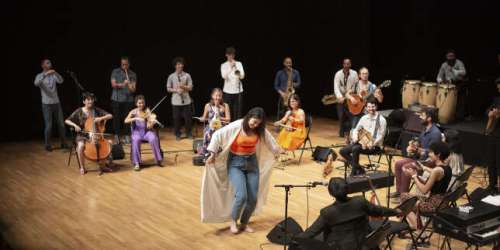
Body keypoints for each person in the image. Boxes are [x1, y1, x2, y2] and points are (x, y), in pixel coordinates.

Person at [201, 107, 282, 234]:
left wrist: (278, 151)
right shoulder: (237, 125)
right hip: (235, 163)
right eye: (253, 122)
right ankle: (233, 221)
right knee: (241, 195)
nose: (255, 125)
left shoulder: (259, 130)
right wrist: (212, 153)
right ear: (249, 117)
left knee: (253, 198)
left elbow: (270, 141)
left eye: (258, 124)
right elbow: (217, 135)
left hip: (252, 164)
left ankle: (244, 223)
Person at [294, 177, 401, 250]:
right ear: (348, 189)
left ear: (331, 193)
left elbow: (311, 233)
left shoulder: (327, 212)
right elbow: (380, 211)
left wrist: (294, 240)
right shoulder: (360, 201)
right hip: (365, 243)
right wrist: (395, 211)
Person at [390, 109, 442, 202]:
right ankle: (399, 191)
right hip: (420, 160)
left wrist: (417, 150)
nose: (420, 117)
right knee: (398, 164)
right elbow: (419, 141)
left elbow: (432, 153)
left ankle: (403, 196)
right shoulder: (425, 129)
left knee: (406, 167)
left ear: (429, 118)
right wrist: (413, 144)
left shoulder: (435, 133)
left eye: (422, 115)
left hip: (427, 163)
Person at [400, 141, 452, 230]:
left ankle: (417, 228)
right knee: (407, 198)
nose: (429, 154)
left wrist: (414, 176)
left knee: (404, 199)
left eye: (431, 152)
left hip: (433, 205)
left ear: (438, 154)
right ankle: (409, 223)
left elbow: (424, 190)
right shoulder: (447, 168)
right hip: (442, 202)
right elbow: (434, 172)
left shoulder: (436, 171)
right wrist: (423, 168)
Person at [65, 93, 113, 175]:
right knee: (80, 146)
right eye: (88, 100)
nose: (90, 101)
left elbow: (110, 115)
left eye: (92, 99)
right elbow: (67, 120)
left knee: (109, 143)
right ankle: (82, 167)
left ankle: (103, 166)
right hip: (82, 135)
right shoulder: (79, 111)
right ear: (84, 101)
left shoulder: (96, 110)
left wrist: (101, 118)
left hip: (96, 134)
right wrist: (75, 125)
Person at [339, 98, 386, 176]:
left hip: (374, 146)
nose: (371, 109)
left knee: (355, 149)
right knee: (342, 151)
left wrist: (373, 143)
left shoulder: (381, 120)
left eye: (373, 107)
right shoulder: (364, 118)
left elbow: (381, 135)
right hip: (362, 143)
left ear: (376, 107)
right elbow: (356, 130)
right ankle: (359, 168)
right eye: (369, 107)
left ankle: (353, 173)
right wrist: (355, 138)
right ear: (366, 108)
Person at [34, 58, 68, 151]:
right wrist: (45, 75)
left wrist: (55, 73)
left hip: (56, 103)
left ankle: (64, 143)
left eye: (50, 63)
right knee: (49, 125)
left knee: (61, 124)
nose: (50, 64)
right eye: (47, 63)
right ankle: (47, 145)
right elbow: (36, 83)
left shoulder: (53, 75)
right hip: (46, 104)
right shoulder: (39, 75)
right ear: (43, 65)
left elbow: (61, 81)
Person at [124, 95, 163, 171]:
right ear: (136, 104)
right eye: (139, 103)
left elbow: (149, 126)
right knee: (136, 140)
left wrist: (151, 122)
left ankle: (158, 159)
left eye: (142, 103)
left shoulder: (147, 111)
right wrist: (136, 118)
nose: (141, 104)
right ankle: (137, 163)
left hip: (147, 131)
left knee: (153, 138)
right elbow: (126, 120)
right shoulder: (133, 112)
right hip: (137, 132)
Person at [110, 56, 137, 144]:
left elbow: (133, 89)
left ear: (129, 64)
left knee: (127, 118)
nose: (124, 66)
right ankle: (117, 136)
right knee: (116, 119)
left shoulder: (132, 74)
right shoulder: (115, 72)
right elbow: (113, 85)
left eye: (125, 64)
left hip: (128, 100)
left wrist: (129, 84)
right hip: (116, 99)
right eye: (122, 64)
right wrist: (122, 84)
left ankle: (127, 136)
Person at [166, 57, 194, 140]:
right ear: (175, 66)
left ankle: (189, 133)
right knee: (176, 118)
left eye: (181, 64)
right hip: (176, 101)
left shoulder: (187, 75)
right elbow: (168, 88)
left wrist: (184, 87)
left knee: (188, 118)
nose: (180, 66)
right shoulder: (171, 76)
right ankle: (178, 134)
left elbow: (191, 87)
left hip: (186, 101)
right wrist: (176, 90)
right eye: (178, 64)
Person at [199, 88, 231, 155]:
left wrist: (220, 117)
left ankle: (219, 150)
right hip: (211, 125)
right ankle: (208, 151)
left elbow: (228, 119)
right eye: (216, 95)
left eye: (219, 96)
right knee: (209, 131)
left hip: (222, 125)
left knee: (218, 131)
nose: (218, 97)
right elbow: (204, 117)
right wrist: (201, 119)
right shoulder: (208, 105)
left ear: (221, 96)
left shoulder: (225, 105)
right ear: (212, 96)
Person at [334, 58, 359, 138]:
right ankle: (341, 131)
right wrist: (340, 97)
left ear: (350, 65)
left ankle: (351, 132)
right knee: (341, 116)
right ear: (343, 64)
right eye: (345, 64)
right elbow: (336, 87)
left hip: (351, 97)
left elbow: (356, 85)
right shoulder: (338, 74)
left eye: (348, 64)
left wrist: (352, 94)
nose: (347, 65)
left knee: (351, 115)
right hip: (341, 97)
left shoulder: (354, 73)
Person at [221, 47, 245, 120]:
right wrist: (231, 67)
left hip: (238, 91)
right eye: (229, 55)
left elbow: (242, 76)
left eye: (232, 55)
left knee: (238, 112)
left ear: (234, 55)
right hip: (227, 91)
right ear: (226, 55)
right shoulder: (224, 65)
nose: (231, 56)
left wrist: (236, 68)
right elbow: (224, 76)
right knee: (228, 111)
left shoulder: (239, 63)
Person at [486, 80, 500, 191]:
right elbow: (488, 111)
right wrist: (491, 114)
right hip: (494, 133)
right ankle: (492, 185)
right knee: (491, 162)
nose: (499, 90)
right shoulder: (497, 99)